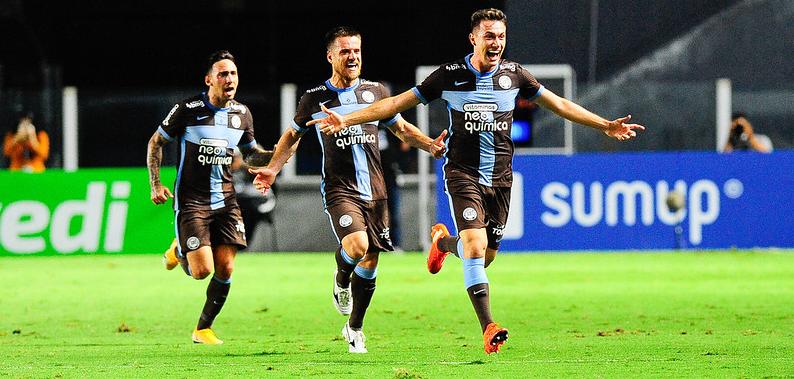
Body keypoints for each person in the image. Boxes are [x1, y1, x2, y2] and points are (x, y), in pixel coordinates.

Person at [307, 8, 645, 354]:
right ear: (473, 38)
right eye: (489, 35)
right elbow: (394, 104)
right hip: (462, 174)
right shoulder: (448, 76)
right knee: (475, 248)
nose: (496, 42)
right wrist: (350, 119)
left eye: (500, 36)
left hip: (501, 179)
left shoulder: (515, 76)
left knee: (485, 257)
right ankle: (488, 327)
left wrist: (604, 125)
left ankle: (441, 244)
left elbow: (558, 104)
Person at [249, 26, 446, 353]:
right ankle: (341, 280)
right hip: (341, 189)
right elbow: (292, 136)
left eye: (356, 50)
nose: (352, 56)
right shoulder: (315, 98)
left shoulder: (377, 92)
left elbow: (400, 128)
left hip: (376, 190)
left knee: (370, 262)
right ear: (330, 56)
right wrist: (272, 168)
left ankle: (354, 327)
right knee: (356, 246)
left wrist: (429, 144)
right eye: (345, 51)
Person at [146, 50, 272, 345]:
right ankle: (179, 251)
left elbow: (251, 154)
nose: (230, 79)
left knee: (226, 266)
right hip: (192, 201)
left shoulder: (242, 114)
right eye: (223, 74)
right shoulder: (187, 109)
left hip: (227, 200)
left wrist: (277, 154)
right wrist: (155, 184)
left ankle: (202, 329)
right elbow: (156, 142)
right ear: (209, 80)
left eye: (234, 74)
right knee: (201, 271)